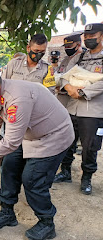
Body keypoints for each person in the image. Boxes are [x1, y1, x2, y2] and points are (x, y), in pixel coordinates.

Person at [0, 65, 74, 240]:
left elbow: (10, 142)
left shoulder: (17, 98)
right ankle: (7, 212)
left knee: (33, 179)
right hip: (28, 134)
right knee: (9, 167)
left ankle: (46, 223)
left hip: (53, 137)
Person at [53, 23, 103, 195]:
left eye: (92, 36)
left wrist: (81, 91)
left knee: (90, 147)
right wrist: (68, 88)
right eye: (86, 36)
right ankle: (65, 171)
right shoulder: (80, 57)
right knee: (66, 142)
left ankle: (86, 178)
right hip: (72, 107)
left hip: (93, 111)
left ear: (101, 36)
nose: (88, 39)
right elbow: (63, 76)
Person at [56, 32, 84, 107]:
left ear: (78, 45)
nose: (67, 48)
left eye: (69, 45)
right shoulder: (65, 60)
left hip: (76, 101)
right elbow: (58, 76)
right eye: (65, 46)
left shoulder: (85, 59)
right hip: (62, 100)